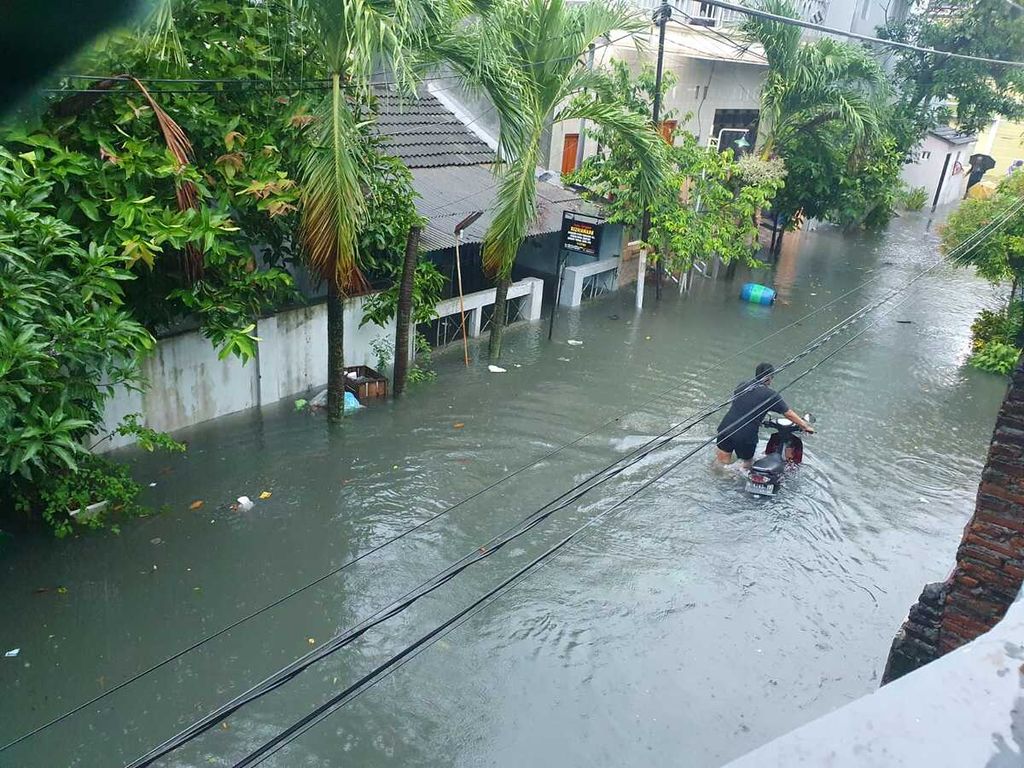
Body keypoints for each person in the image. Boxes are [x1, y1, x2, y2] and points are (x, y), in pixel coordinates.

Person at [715, 362, 814, 468]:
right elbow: (789, 414)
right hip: (746, 435)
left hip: (726, 428)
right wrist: (805, 426)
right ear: (768, 378)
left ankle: (721, 475)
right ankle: (736, 478)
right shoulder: (771, 395)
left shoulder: (742, 385)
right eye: (772, 377)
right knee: (746, 463)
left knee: (721, 461)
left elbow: (743, 404)